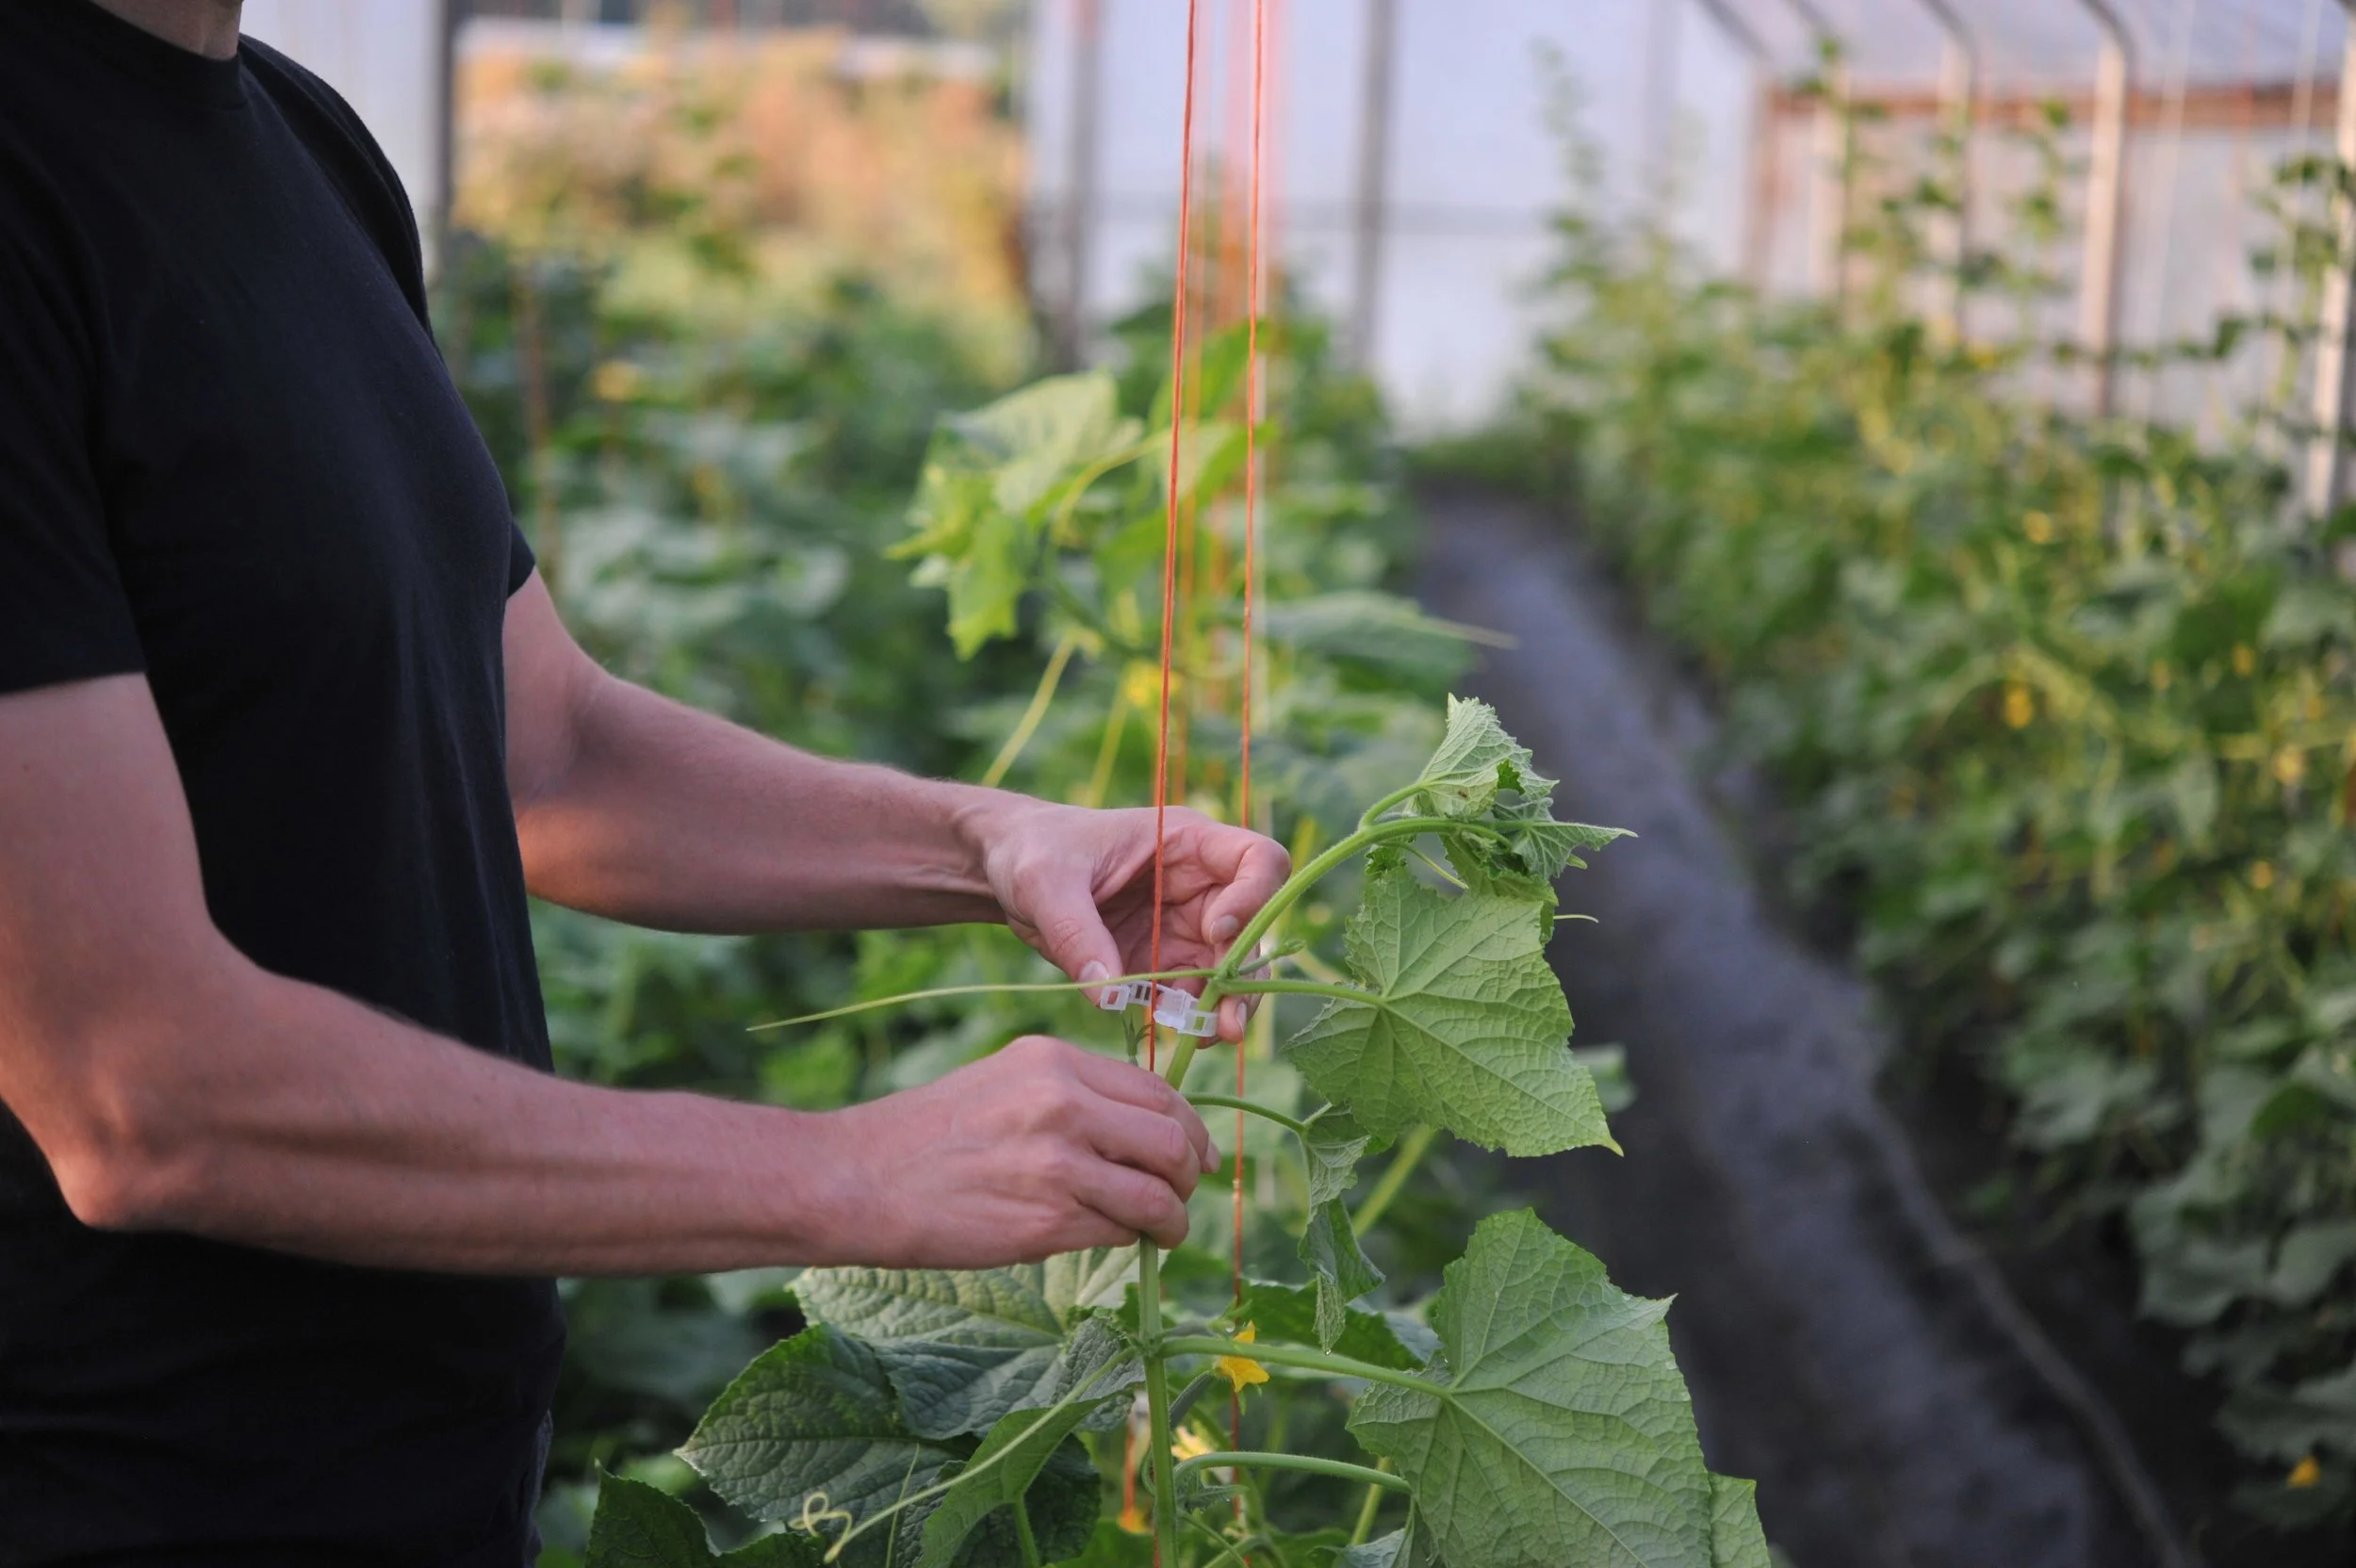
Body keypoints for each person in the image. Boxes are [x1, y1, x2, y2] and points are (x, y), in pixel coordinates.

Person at [0, 2, 1287, 1563]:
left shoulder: (297, 139)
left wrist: (986, 840)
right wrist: (850, 1170)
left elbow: (549, 748)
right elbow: (141, 1089)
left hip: (417, 1486)